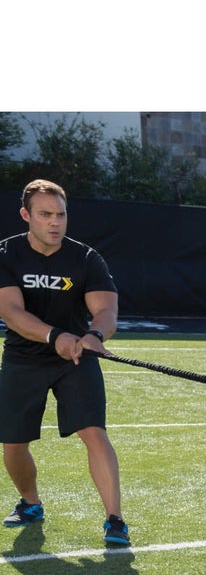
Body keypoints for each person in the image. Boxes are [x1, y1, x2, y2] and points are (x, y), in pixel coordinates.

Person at [0, 179, 128, 546]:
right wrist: (55, 336)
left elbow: (106, 310)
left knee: (94, 432)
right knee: (13, 443)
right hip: (24, 357)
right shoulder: (6, 255)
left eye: (61, 214)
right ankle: (31, 502)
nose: (55, 222)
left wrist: (95, 336)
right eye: (45, 214)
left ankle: (115, 519)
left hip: (76, 357)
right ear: (26, 215)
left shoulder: (86, 258)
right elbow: (11, 312)